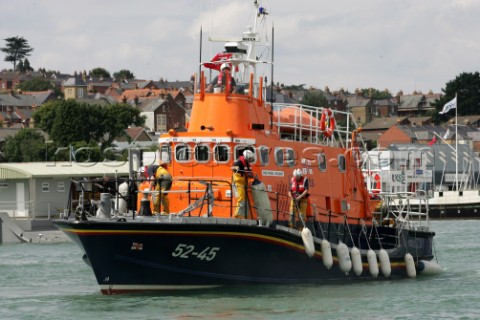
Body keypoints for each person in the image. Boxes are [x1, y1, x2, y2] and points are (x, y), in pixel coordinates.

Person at [231, 150, 254, 218]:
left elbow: (250, 172)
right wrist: (239, 170)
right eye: (249, 158)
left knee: (245, 200)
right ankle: (237, 215)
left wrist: (251, 175)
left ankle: (244, 215)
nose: (250, 160)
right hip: (237, 183)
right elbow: (233, 168)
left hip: (243, 184)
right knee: (241, 199)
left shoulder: (246, 164)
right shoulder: (238, 162)